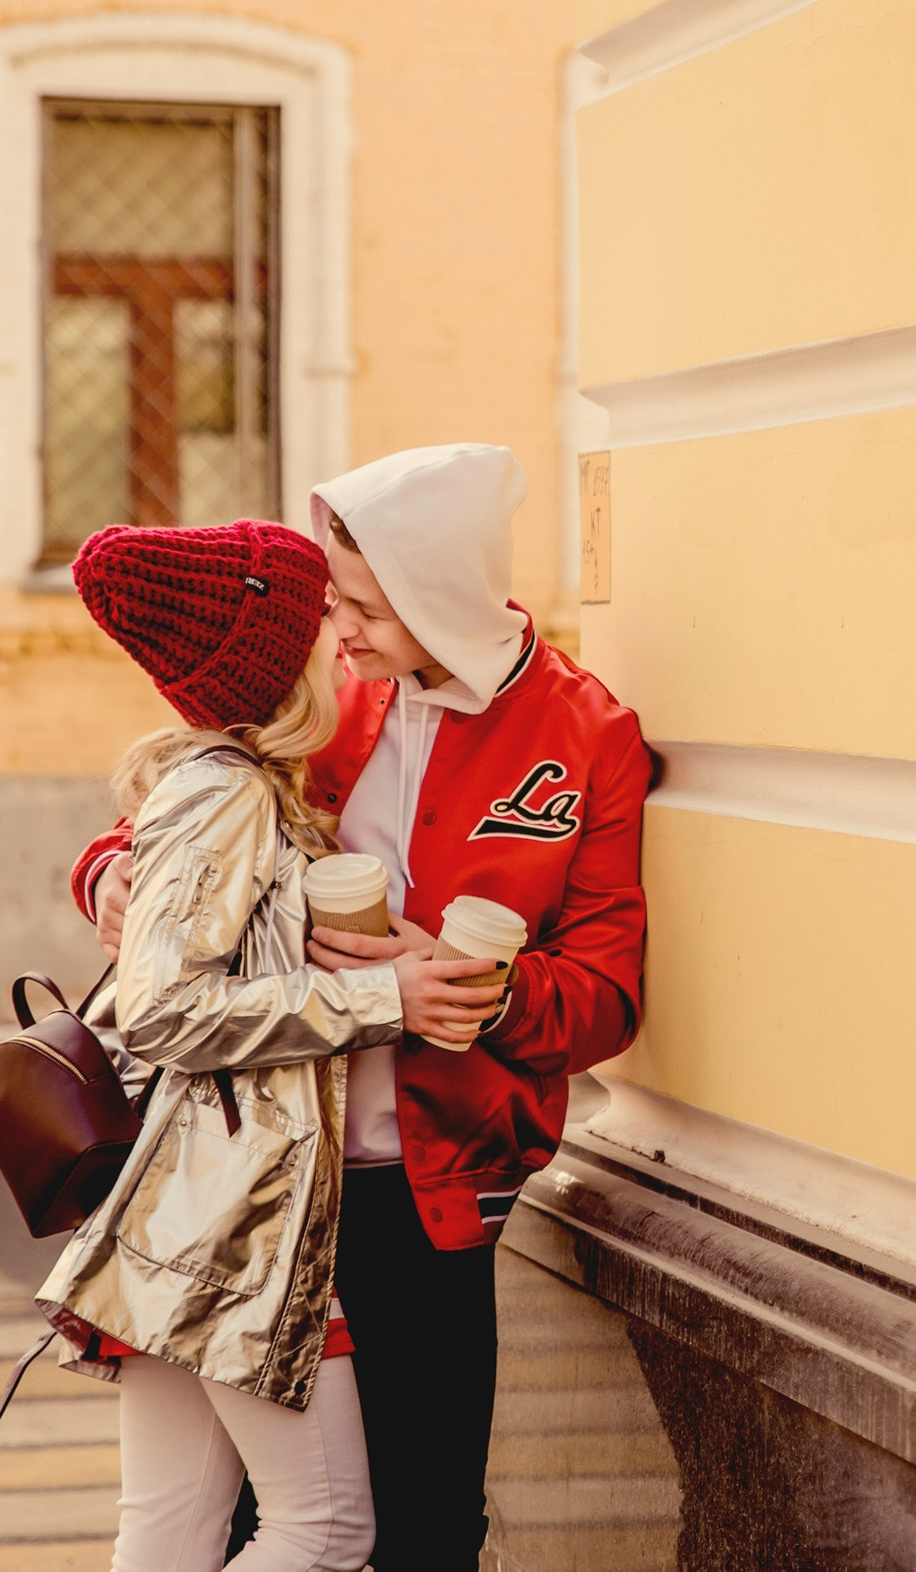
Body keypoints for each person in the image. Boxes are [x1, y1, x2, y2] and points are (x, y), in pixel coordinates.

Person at [72, 444, 651, 1570]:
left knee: (427, 1525)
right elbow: (191, 806)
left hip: (432, 1200)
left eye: (366, 608)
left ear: (437, 592)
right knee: (254, 1522)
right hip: (267, 1174)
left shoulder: (585, 735)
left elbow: (610, 997)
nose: (338, 630)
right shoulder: (324, 699)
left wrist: (479, 994)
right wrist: (109, 876)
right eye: (333, 602)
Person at [35, 517, 504, 1572]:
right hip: (231, 1223)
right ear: (275, 659)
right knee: (325, 1528)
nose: (339, 635)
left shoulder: (230, 780)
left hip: (187, 1214)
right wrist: (377, 996)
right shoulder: (227, 794)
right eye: (319, 620)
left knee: (167, 1528)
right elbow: (162, 1007)